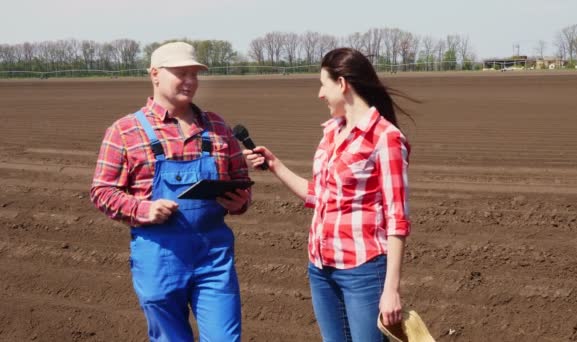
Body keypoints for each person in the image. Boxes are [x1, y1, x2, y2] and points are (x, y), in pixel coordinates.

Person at [245, 47, 412, 342]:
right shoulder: (332, 133)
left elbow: (397, 218)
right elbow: (319, 196)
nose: (320, 94)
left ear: (342, 84)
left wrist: (391, 290)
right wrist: (275, 165)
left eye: (323, 84)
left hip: (363, 269)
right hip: (321, 266)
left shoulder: (386, 138)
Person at [90, 41, 251, 342]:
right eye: (181, 73)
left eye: (194, 74)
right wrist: (143, 209)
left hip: (213, 256)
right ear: (155, 74)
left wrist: (240, 201)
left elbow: (239, 178)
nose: (190, 81)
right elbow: (102, 191)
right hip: (159, 256)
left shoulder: (216, 126)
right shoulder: (125, 131)